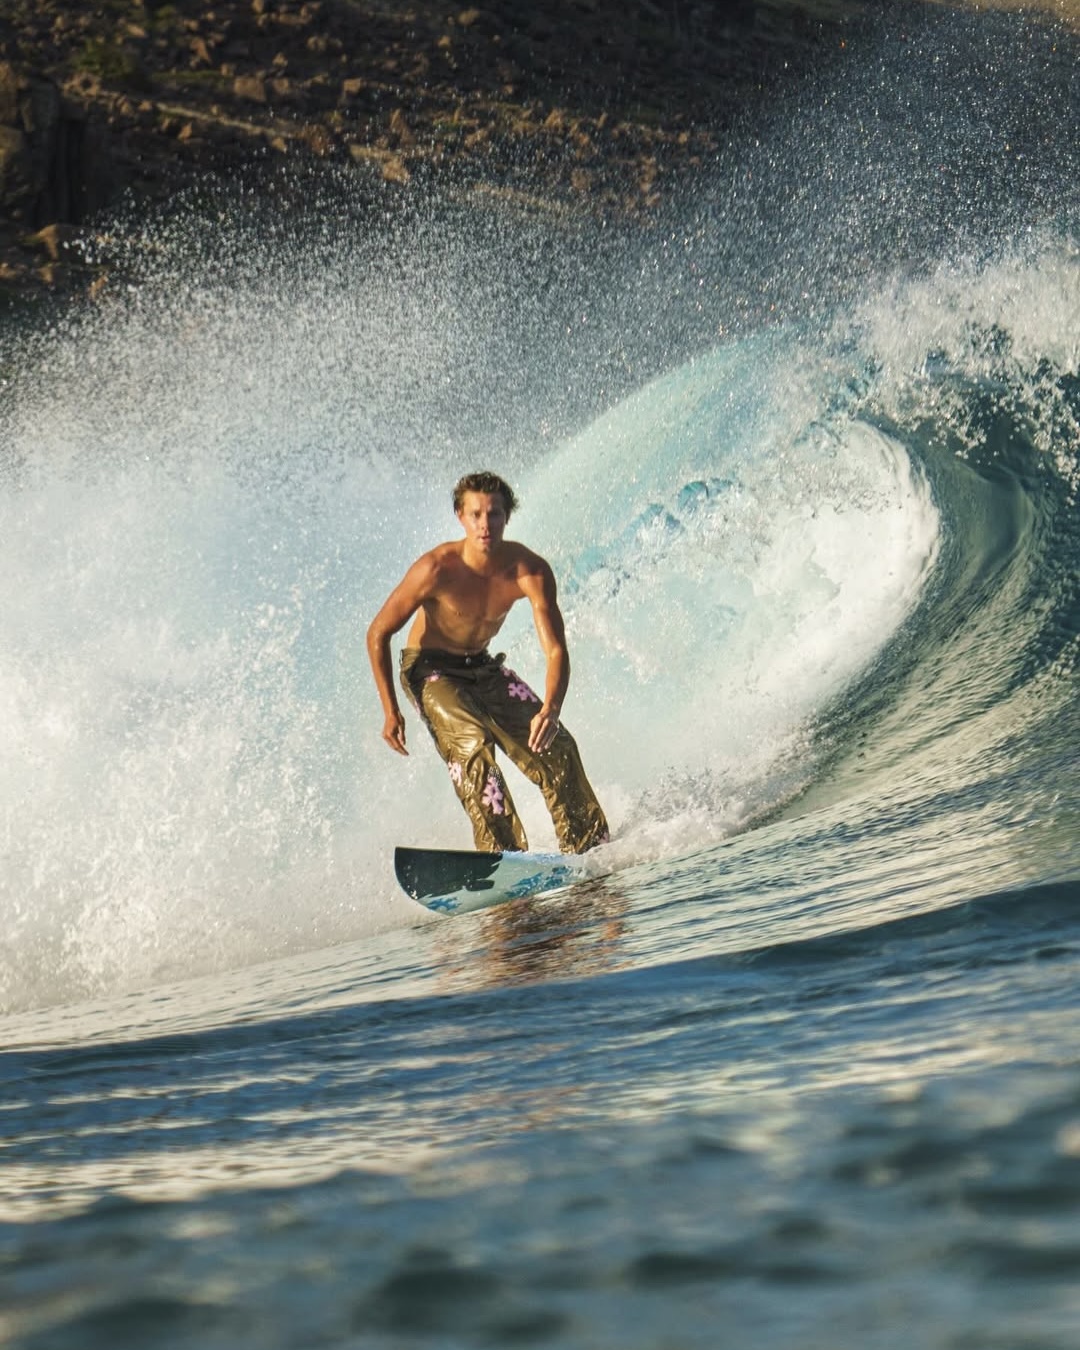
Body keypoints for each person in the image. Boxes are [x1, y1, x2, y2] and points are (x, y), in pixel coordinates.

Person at [366, 471, 609, 854]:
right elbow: (378, 633)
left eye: (494, 514)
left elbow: (556, 651)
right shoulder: (435, 569)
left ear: (507, 517)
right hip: (430, 670)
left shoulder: (529, 570)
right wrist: (391, 711)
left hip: (482, 666)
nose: (485, 524)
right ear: (460, 516)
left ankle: (588, 846)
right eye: (476, 514)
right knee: (475, 748)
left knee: (557, 744)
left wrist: (552, 708)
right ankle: (501, 859)